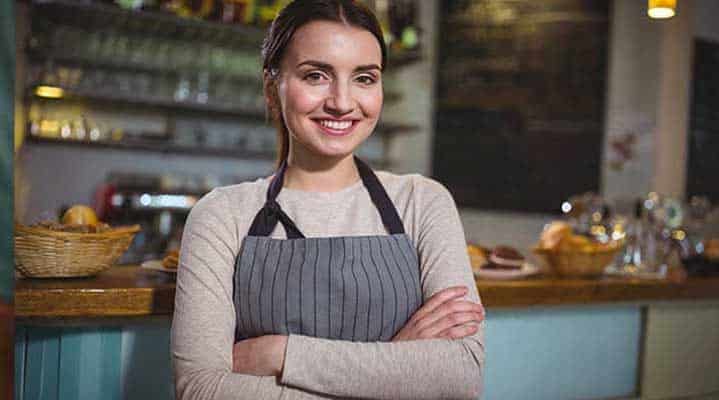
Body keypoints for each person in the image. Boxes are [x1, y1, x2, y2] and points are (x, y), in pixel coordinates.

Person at [170, 1, 485, 398]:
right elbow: (201, 390)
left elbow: (460, 376)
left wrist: (280, 353)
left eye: (364, 78)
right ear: (272, 89)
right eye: (316, 75)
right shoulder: (221, 216)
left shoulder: (423, 203)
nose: (341, 101)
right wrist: (395, 367)